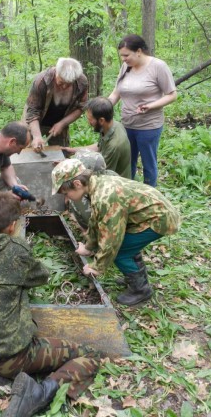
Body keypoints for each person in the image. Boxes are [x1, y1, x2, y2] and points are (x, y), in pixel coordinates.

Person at [0, 192, 100, 417]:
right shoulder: (15, 251)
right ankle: (40, 394)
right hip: (10, 356)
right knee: (89, 354)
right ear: (12, 226)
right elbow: (40, 276)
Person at [51, 159, 180, 306]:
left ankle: (141, 290)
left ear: (77, 184)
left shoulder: (106, 197)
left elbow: (111, 240)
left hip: (159, 219)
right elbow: (96, 220)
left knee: (120, 252)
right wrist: (89, 247)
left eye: (66, 193)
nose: (66, 198)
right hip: (145, 214)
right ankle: (135, 277)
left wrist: (97, 267)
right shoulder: (96, 184)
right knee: (127, 245)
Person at [107, 34, 177, 186]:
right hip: (127, 124)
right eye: (122, 56)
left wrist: (151, 106)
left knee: (148, 163)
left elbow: (172, 95)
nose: (124, 59)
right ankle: (128, 192)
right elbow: (116, 92)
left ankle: (149, 195)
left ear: (138, 51)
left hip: (149, 126)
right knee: (127, 161)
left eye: (126, 55)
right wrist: (105, 105)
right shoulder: (126, 67)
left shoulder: (158, 66)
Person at [24, 57, 88, 151]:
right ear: (56, 72)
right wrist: (37, 136)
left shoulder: (82, 82)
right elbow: (32, 111)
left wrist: (62, 123)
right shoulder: (41, 81)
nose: (64, 86)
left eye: (69, 84)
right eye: (61, 82)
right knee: (31, 151)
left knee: (62, 152)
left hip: (61, 121)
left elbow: (82, 107)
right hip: (35, 121)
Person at [62, 97, 132, 179]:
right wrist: (73, 150)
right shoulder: (112, 126)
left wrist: (67, 166)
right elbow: (98, 146)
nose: (88, 123)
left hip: (114, 183)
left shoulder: (114, 145)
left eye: (90, 120)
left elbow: (102, 175)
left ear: (101, 120)